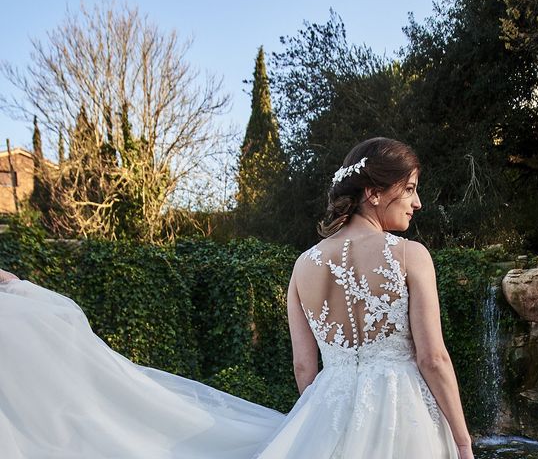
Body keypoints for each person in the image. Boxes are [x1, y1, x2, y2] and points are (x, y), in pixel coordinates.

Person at [0, 137, 473, 458]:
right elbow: (433, 358)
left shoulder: (303, 266)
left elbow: (305, 370)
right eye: (409, 189)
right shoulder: (410, 256)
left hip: (329, 409)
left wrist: (331, 419)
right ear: (373, 192)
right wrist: (464, 441)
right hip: (405, 412)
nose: (417, 202)